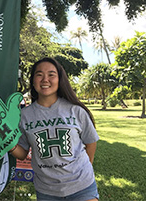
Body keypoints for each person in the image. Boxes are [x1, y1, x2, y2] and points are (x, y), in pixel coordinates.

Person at [9, 57, 99, 201]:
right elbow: (22, 154)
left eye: (51, 75)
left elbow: (91, 142)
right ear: (33, 80)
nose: (45, 79)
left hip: (82, 186)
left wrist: (83, 170)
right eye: (39, 74)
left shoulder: (75, 110)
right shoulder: (24, 115)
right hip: (47, 191)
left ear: (59, 79)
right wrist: (7, 142)